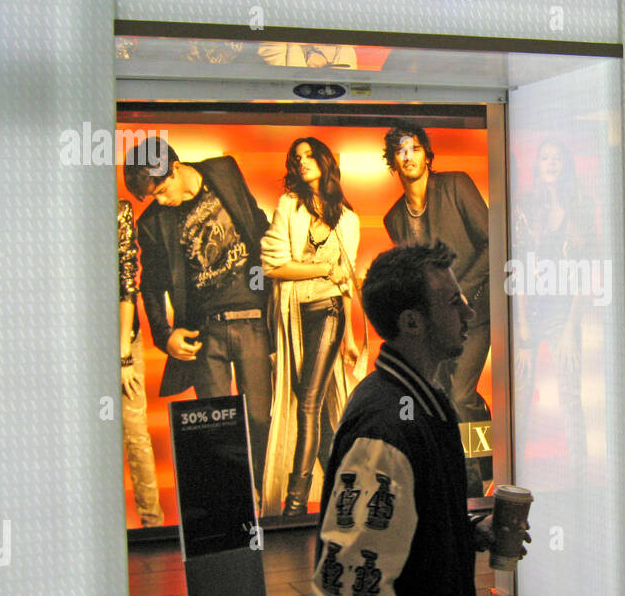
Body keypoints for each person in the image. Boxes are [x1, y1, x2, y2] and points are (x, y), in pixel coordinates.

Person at [304, 241, 520, 596]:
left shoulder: (423, 403)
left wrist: (468, 531)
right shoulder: (388, 428)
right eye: (452, 302)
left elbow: (406, 529)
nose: (469, 311)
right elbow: (352, 572)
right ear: (412, 322)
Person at [123, 140, 272, 490]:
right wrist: (165, 335)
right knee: (218, 428)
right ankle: (231, 513)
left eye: (160, 191)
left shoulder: (224, 170)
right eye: (152, 198)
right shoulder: (153, 223)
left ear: (174, 169)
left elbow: (258, 223)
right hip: (204, 334)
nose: (159, 201)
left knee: (261, 420)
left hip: (253, 318)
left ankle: (267, 509)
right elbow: (151, 286)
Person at [382, 125, 492, 493]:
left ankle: (478, 477)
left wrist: (464, 290)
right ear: (393, 161)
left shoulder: (456, 185)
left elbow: (494, 242)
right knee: (446, 398)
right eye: (400, 151)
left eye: (415, 148)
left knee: (461, 395)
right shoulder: (394, 218)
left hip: (474, 313)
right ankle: (465, 470)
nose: (408, 155)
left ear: (427, 155)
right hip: (435, 326)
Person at [261, 137, 364, 519]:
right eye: (296, 158)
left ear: (325, 161)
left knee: (308, 402)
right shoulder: (289, 205)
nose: (302, 163)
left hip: (329, 313)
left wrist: (349, 338)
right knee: (311, 407)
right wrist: (324, 268)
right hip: (291, 315)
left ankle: (295, 503)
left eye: (308, 156)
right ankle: (344, 490)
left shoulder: (348, 219)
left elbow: (347, 281)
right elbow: (274, 266)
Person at [513, 141, 588, 486]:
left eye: (557, 157)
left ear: (565, 164)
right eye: (545, 157)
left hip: (563, 313)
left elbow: (584, 272)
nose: (551, 162)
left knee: (571, 394)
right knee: (521, 393)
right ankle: (515, 476)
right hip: (531, 309)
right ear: (537, 165)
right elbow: (518, 267)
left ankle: (581, 479)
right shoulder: (527, 208)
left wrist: (572, 328)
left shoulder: (579, 207)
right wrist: (524, 330)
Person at [118, 198, 163, 527]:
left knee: (135, 433)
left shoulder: (118, 211)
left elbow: (127, 285)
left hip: (121, 338)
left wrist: (124, 355)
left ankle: (153, 524)